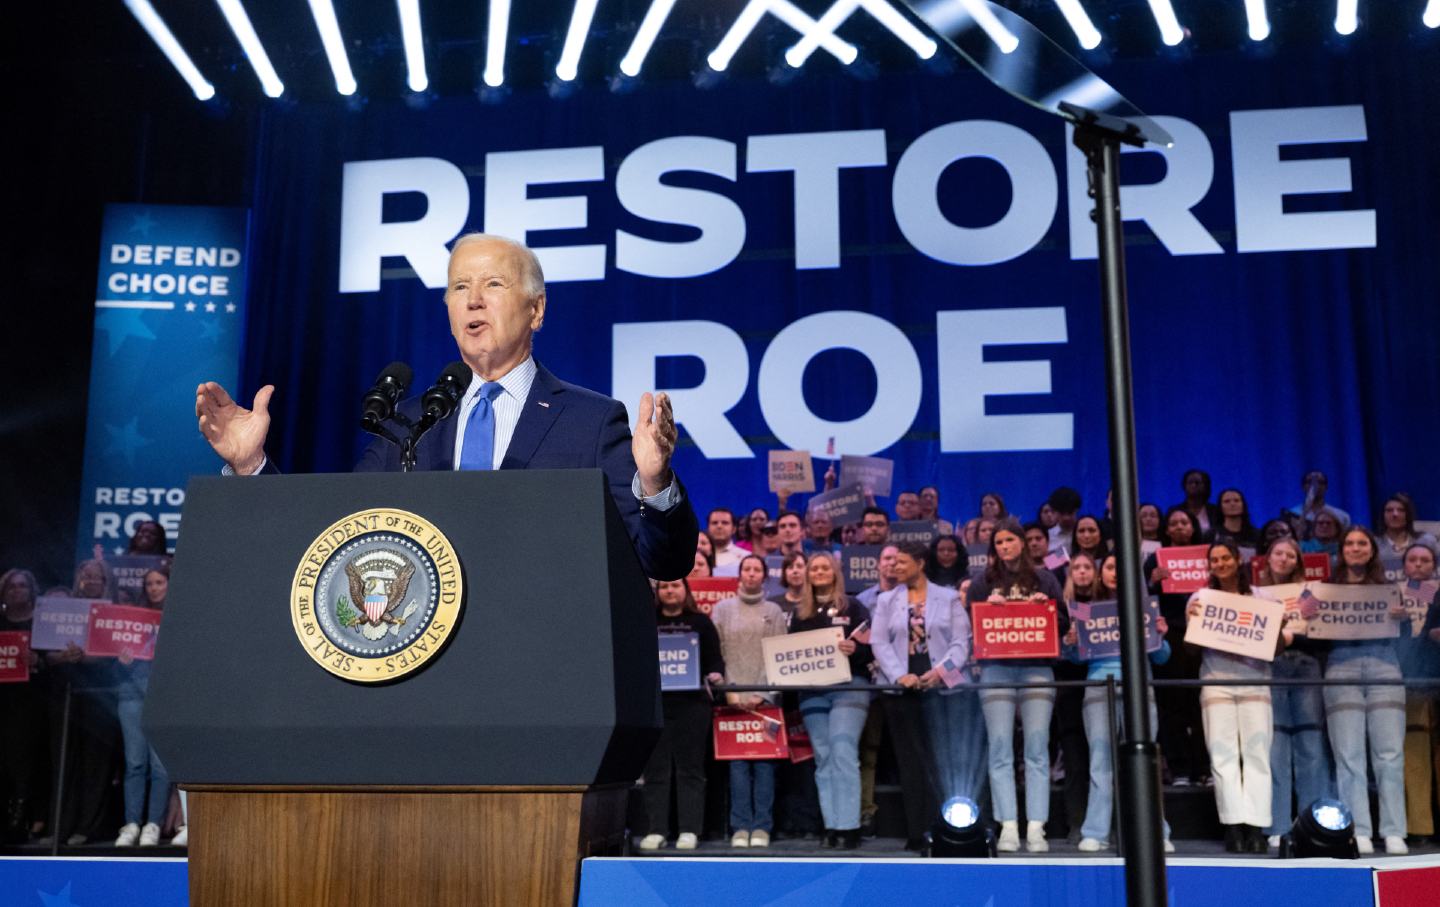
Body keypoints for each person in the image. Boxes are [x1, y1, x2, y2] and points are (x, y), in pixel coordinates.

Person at [195, 233, 698, 581]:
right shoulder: (407, 423)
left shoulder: (590, 420)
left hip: (541, 673)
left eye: (493, 285)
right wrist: (250, 468)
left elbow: (660, 560)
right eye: (460, 287)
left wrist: (654, 484)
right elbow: (331, 540)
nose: (473, 300)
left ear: (537, 309)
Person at [1061, 554, 1175, 852]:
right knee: (1101, 761)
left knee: (1144, 763)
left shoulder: (1144, 607)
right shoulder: (1087, 609)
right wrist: (1072, 642)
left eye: (1121, 567)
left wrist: (1161, 637)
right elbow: (1076, 658)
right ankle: (1096, 832)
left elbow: (1162, 657)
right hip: (1100, 687)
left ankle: (1156, 832)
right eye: (1110, 567)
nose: (1116, 572)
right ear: (1102, 574)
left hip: (1140, 686)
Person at [967, 520, 1065, 852]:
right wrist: (989, 613)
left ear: (1023, 542)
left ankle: (1037, 826)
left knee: (1037, 747)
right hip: (996, 669)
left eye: (1010, 540)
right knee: (999, 747)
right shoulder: (983, 582)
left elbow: (1062, 622)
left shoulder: (1046, 578)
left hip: (1037, 669)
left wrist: (1044, 610)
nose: (1004, 546)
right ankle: (1007, 825)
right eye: (998, 542)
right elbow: (973, 623)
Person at [871, 541, 976, 852]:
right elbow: (879, 642)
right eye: (892, 563)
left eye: (902, 562)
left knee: (943, 760)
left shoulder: (947, 597)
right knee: (910, 762)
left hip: (942, 689)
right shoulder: (887, 600)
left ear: (919, 563)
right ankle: (918, 831)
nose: (894, 567)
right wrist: (899, 675)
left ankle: (948, 827)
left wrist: (940, 672)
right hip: (902, 688)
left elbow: (961, 642)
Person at [1186, 540, 1282, 854]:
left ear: (1238, 559)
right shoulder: (1200, 598)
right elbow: (1190, 650)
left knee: (1256, 754)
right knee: (1223, 755)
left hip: (1255, 681)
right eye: (1215, 559)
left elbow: (1277, 649)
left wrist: (1276, 628)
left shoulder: (1261, 597)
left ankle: (1256, 826)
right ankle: (1233, 827)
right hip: (1216, 682)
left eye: (1226, 557)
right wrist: (1192, 622)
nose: (1221, 563)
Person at [1319, 525, 1410, 854]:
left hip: (1384, 664)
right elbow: (1303, 625)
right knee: (1348, 755)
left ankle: (1394, 830)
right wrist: (1309, 614)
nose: (1355, 548)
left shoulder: (1390, 587)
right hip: (1341, 666)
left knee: (1389, 754)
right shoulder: (1324, 589)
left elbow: (1409, 634)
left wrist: (1404, 618)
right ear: (1341, 550)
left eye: (1362, 543)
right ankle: (1358, 831)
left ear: (1372, 550)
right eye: (1349, 543)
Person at [790, 553, 872, 848]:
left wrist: (855, 649)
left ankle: (849, 826)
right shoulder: (799, 612)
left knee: (842, 750)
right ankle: (832, 826)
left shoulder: (855, 607)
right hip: (812, 690)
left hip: (850, 686)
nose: (820, 572)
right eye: (815, 568)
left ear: (835, 572)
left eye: (825, 568)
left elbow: (872, 650)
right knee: (823, 758)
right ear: (807, 575)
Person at [1256, 537, 1333, 848]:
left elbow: (1323, 637)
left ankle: (1312, 824)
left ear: (1298, 562)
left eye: (1290, 554)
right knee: (1275, 748)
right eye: (1278, 552)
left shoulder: (1309, 594)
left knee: (1310, 746)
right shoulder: (1255, 594)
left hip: (1305, 666)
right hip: (1270, 668)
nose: (1284, 558)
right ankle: (1276, 824)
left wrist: (1291, 637)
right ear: (1268, 557)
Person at [639, 578, 724, 851]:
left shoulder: (700, 622)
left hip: (692, 706)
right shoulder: (645, 621)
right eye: (664, 587)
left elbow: (715, 660)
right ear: (658, 592)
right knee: (656, 770)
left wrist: (716, 673)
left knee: (690, 769)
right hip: (655, 706)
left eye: (675, 586)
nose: (670, 591)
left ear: (685, 591)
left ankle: (689, 830)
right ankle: (657, 830)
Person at [710, 556, 787, 848]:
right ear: (740, 575)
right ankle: (740, 826)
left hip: (765, 698)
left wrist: (762, 693)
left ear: (764, 576)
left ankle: (762, 827)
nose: (751, 574)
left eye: (757, 570)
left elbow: (778, 654)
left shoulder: (774, 611)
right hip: (732, 698)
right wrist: (730, 691)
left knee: (765, 767)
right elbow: (717, 653)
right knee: (738, 766)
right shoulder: (723, 609)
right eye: (747, 569)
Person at [113, 566, 180, 847]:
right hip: (131, 695)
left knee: (160, 767)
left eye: (159, 582)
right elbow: (112, 656)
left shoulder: (179, 616)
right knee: (135, 763)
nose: (153, 588)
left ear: (168, 583)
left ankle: (152, 824)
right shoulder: (133, 618)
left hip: (164, 697)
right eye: (149, 583)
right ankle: (131, 824)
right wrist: (122, 659)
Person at [1145, 507, 1209, 787]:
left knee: (1200, 705)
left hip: (1203, 635)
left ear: (1193, 527)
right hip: (1169, 635)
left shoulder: (1208, 557)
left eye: (1185, 522)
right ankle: (1180, 769)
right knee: (1171, 705)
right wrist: (1152, 583)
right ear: (1167, 530)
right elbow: (1143, 598)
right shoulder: (1154, 561)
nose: (1180, 526)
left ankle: (1203, 769)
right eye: (1174, 523)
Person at [0, 568, 47, 845]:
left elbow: (54, 660)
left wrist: (38, 661)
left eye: (22, 586)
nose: (17, 591)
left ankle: (24, 817)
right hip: (3, 698)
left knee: (25, 761)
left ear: (32, 590)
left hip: (31, 700)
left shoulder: (41, 623)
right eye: (11, 587)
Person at [1397, 543, 1439, 840]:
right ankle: (1420, 827)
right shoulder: (1393, 594)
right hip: (1408, 679)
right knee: (1414, 754)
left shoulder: (1436, 594)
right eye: (1412, 560)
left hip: (1435, 676)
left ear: (1434, 565)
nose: (1418, 565)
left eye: (1425, 560)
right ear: (1403, 565)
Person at [1286, 471, 1350, 538]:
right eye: (1310, 482)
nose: (1315, 486)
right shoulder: (1292, 515)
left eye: (1320, 482)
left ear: (1326, 487)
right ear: (1303, 486)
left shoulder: (1341, 516)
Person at [1378, 493, 1437, 564]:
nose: (1395, 514)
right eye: (1389, 510)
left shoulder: (1427, 541)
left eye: (1401, 510)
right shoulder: (1374, 544)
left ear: (1409, 514)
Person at [1173, 469, 1221, 540]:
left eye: (1197, 482)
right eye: (1190, 482)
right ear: (1184, 486)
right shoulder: (1175, 511)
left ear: (1205, 486)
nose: (1193, 485)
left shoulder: (1216, 511)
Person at [768, 552, 807, 618]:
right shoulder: (772, 605)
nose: (795, 571)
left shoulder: (815, 604)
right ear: (784, 573)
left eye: (799, 566)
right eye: (790, 567)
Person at [1046, 487, 1081, 553]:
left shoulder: (1087, 534)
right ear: (1054, 512)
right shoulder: (1048, 537)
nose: (1066, 518)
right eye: (1062, 513)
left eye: (1070, 513)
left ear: (1077, 510)